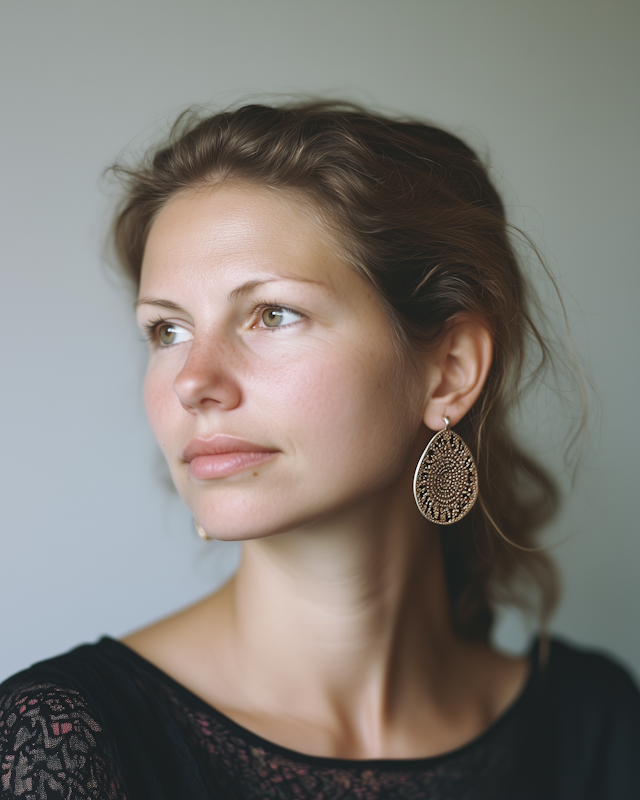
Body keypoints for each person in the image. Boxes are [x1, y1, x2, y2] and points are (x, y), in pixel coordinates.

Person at [1, 102, 638, 800]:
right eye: (167, 331)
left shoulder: (596, 726)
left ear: (450, 369)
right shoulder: (63, 741)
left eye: (273, 313)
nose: (193, 383)